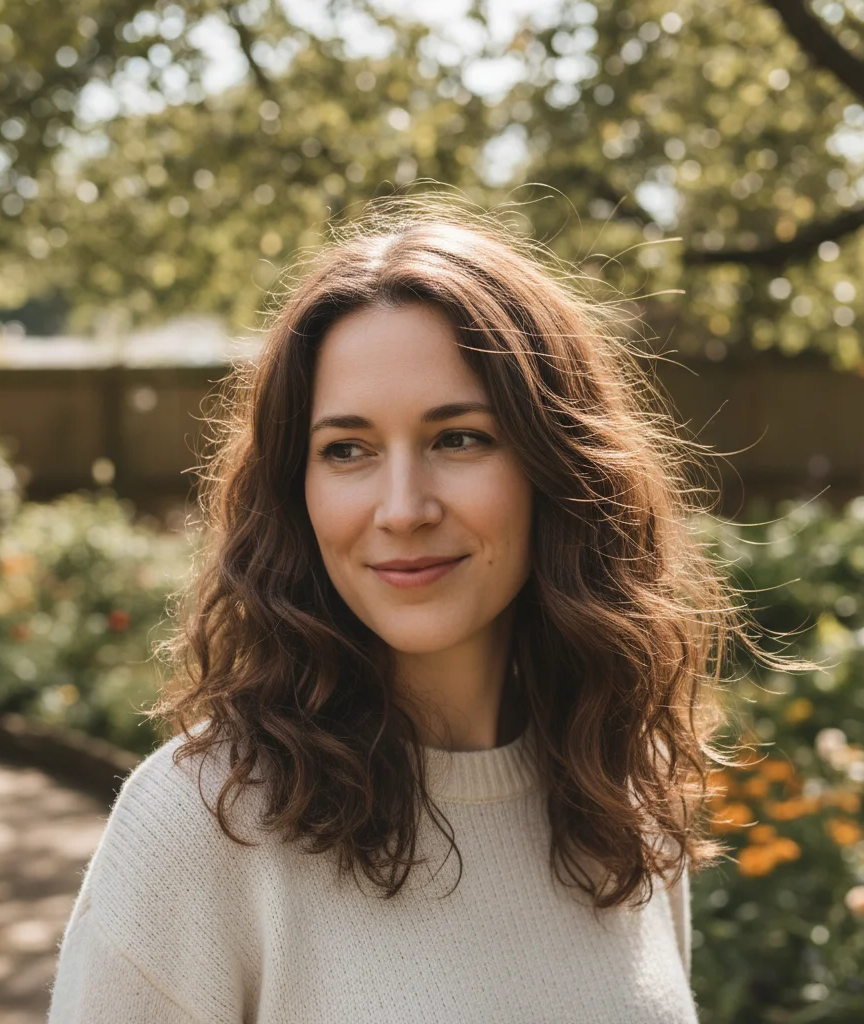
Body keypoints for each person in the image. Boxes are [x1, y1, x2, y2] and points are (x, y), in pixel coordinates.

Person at [45, 198, 783, 1023]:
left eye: (457, 438)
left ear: (559, 467)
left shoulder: (620, 796)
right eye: (346, 450)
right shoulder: (200, 829)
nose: (402, 509)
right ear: (296, 492)